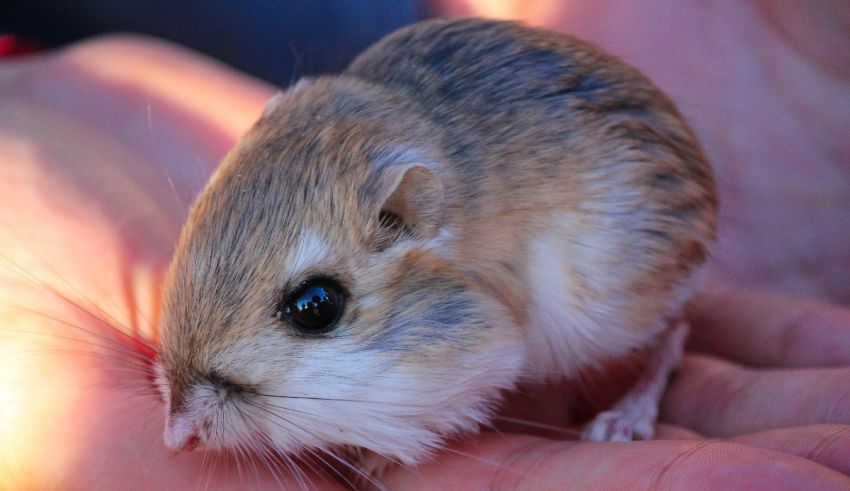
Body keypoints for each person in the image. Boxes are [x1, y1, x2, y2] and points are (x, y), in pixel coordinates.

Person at [1, 1, 848, 488]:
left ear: (407, 217)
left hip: (612, 189)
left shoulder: (408, 209)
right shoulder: (326, 146)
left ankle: (663, 354)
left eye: (312, 306)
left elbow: (486, 349)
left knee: (596, 311)